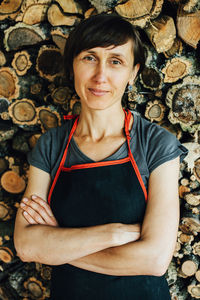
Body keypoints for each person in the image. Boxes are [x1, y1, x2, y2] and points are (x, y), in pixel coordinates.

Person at [14, 13, 188, 300]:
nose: (100, 76)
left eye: (116, 61)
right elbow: (26, 245)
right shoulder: (52, 145)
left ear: (133, 72)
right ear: (72, 65)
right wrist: (115, 233)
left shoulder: (155, 144)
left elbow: (154, 260)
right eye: (89, 58)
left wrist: (59, 243)